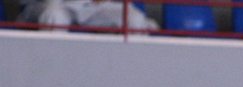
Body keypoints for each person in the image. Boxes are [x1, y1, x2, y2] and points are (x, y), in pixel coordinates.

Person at [17, 0, 158, 31]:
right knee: (54, 17)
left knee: (134, 19)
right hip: (54, 4)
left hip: (94, 6)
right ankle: (50, 72)